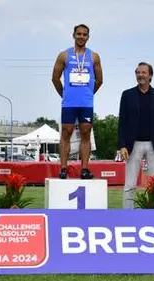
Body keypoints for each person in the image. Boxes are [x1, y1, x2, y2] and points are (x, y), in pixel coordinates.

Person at [51, 24, 103, 179]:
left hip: (86, 104)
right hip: (69, 103)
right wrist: (64, 94)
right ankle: (63, 168)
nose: (81, 37)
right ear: (73, 35)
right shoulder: (64, 55)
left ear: (88, 37)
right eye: (78, 34)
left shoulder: (94, 56)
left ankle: (85, 169)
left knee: (85, 134)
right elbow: (55, 78)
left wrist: (88, 94)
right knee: (66, 133)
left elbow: (99, 80)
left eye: (84, 34)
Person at [118, 62, 154, 209]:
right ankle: (127, 214)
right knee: (130, 184)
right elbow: (122, 122)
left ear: (150, 76)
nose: (140, 75)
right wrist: (122, 145)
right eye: (138, 72)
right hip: (132, 145)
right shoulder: (127, 95)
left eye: (143, 72)